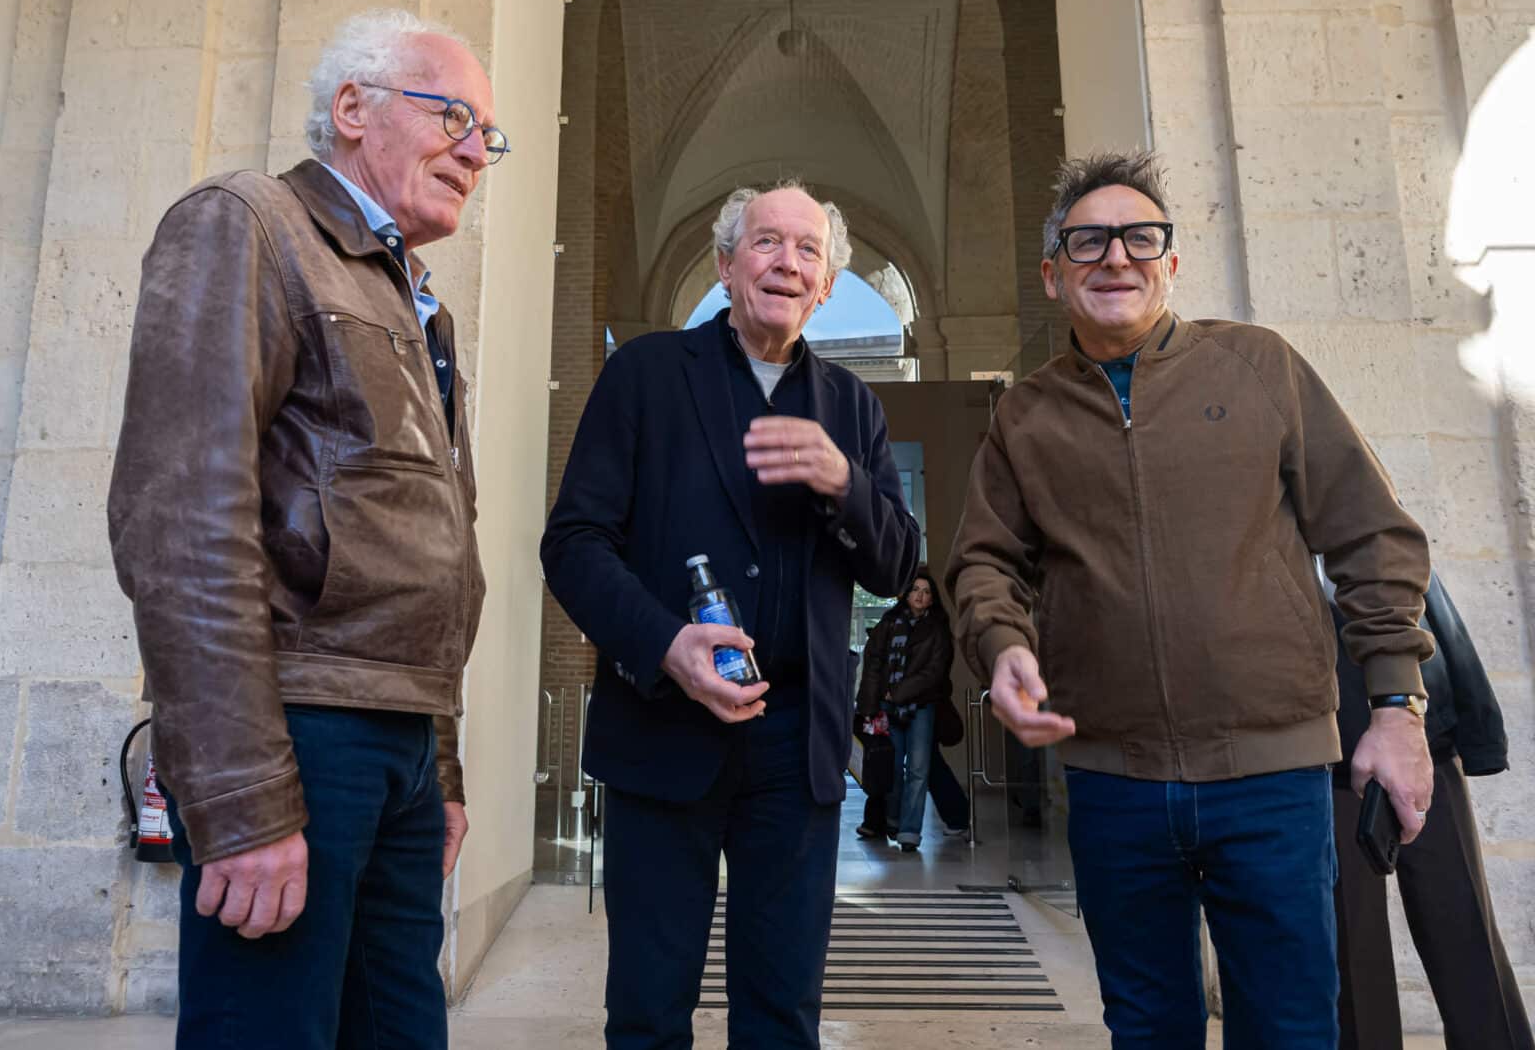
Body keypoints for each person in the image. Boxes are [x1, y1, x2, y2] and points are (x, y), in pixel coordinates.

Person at [946, 150, 1437, 1049]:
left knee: (1289, 1028)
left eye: (1140, 237)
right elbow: (984, 563)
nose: (1116, 256)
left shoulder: (1260, 367)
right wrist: (1003, 645)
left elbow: (1373, 536)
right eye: (1088, 241)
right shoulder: (1025, 416)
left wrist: (1398, 707)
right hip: (1113, 781)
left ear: (1170, 263)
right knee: (1146, 1028)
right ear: (1053, 275)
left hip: (1273, 778)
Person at [107, 9, 498, 1048]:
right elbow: (179, 521)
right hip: (299, 732)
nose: (475, 151)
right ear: (353, 108)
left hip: (402, 744)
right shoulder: (249, 224)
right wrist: (240, 795)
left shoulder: (420, 305)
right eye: (454, 116)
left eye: (487, 135)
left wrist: (440, 768)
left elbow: (422, 554)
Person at [540, 180, 921, 1048]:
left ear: (826, 285)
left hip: (797, 747)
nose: (788, 262)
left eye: (808, 249)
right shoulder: (644, 375)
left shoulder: (853, 407)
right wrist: (664, 644)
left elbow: (898, 565)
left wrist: (844, 483)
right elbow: (574, 544)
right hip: (662, 728)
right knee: (647, 1012)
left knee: (782, 1016)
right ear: (725, 265)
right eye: (766, 242)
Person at [1329, 571, 1533, 1050]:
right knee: (1353, 953)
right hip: (1329, 759)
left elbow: (1436, 612)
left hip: (1423, 745)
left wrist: (1480, 738)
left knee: (1464, 927)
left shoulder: (1382, 543)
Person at [854, 568, 955, 850]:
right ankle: (893, 820)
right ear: (906, 594)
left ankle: (910, 833)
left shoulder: (937, 629)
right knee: (892, 768)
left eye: (926, 591)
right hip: (888, 707)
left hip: (921, 707)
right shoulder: (888, 623)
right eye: (916, 590)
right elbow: (873, 664)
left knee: (918, 770)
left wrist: (898, 692)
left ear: (932, 598)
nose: (920, 596)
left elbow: (934, 672)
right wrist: (868, 705)